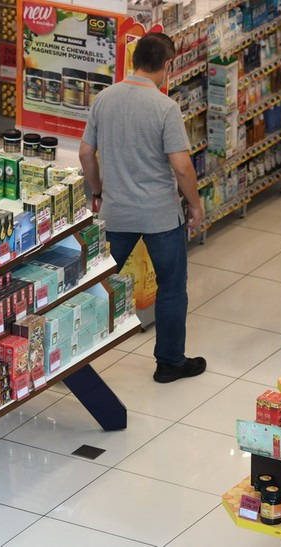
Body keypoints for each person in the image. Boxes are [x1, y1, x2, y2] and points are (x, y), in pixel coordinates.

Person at [78, 33, 207, 384]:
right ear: (168, 65)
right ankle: (169, 363)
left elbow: (86, 153)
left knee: (93, 287)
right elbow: (181, 166)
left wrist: (98, 190)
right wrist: (195, 204)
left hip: (116, 212)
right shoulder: (165, 108)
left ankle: (70, 360)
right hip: (160, 216)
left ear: (135, 61)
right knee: (171, 287)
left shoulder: (104, 99)